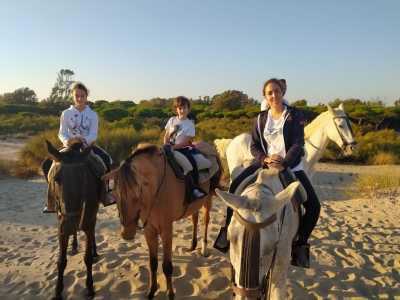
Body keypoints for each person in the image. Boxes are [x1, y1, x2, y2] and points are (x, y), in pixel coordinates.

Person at [217, 78, 320, 268]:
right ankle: (226, 231)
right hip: (264, 164)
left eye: (277, 91)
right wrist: (265, 159)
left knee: (314, 206)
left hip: (290, 167)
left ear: (283, 92)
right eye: (270, 93)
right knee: (235, 185)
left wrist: (283, 164)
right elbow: (254, 146)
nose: (274, 95)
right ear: (265, 96)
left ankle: (300, 246)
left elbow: (298, 142)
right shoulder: (261, 118)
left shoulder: (294, 114)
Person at [43, 82, 115, 212]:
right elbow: (62, 133)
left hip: (86, 146)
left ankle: (106, 193)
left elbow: (94, 134)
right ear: (72, 96)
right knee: (45, 165)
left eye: (82, 96)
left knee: (106, 160)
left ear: (86, 96)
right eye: (77, 96)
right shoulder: (66, 113)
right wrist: (68, 141)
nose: (80, 99)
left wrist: (85, 140)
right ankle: (53, 196)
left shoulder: (93, 114)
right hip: (69, 147)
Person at [163, 96, 205, 199]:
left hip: (181, 148)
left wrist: (172, 148)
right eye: (180, 108)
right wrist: (166, 145)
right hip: (168, 147)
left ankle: (195, 188)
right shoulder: (172, 120)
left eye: (184, 107)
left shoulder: (190, 124)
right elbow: (166, 135)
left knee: (193, 164)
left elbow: (184, 142)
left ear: (188, 109)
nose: (182, 110)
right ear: (176, 109)